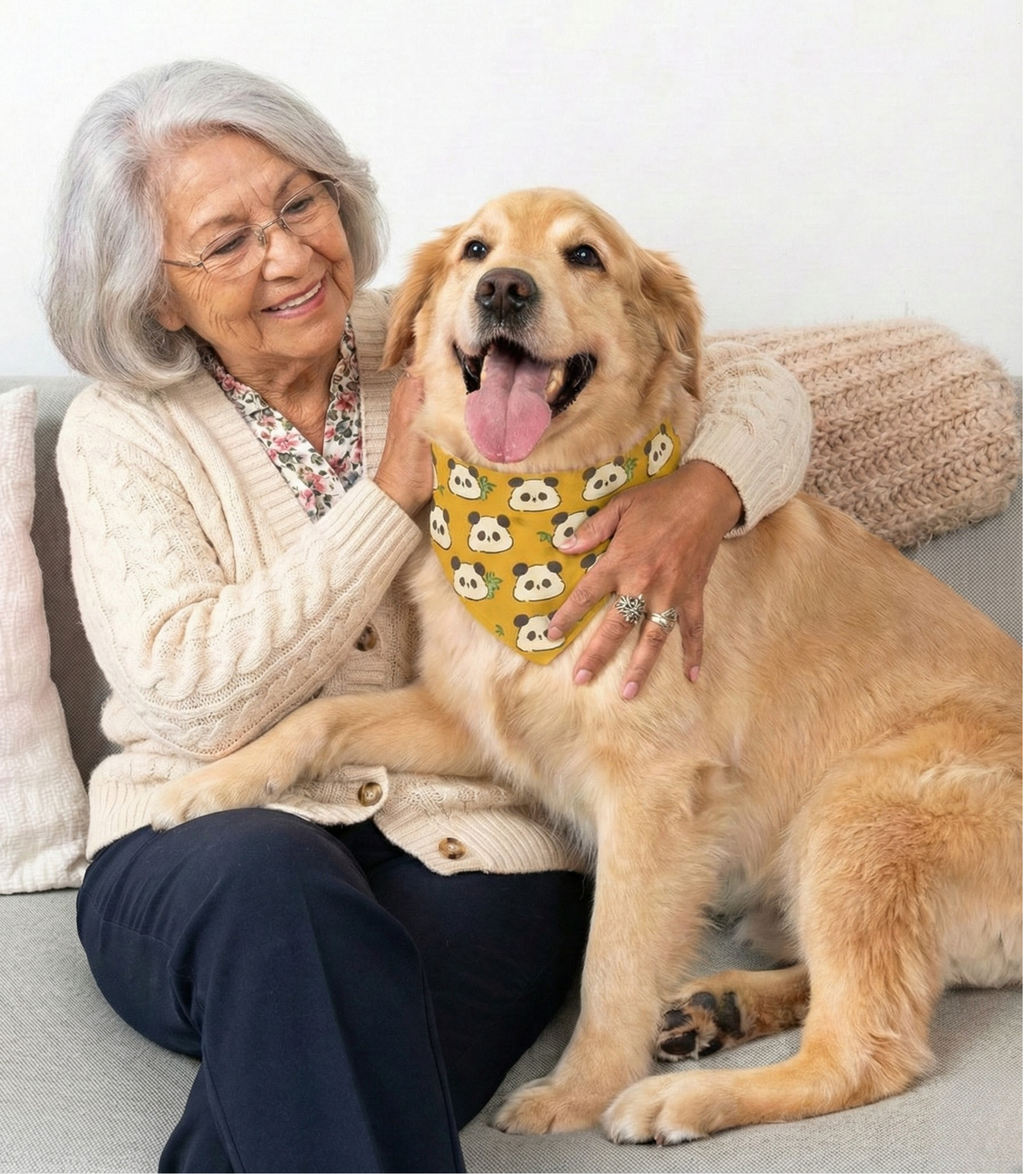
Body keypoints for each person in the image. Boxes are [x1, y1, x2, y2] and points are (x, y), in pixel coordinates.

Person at [47, 60, 813, 1173]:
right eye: (227, 240)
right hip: (208, 848)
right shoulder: (124, 434)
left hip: (477, 847)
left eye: (300, 203)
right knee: (285, 896)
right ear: (156, 292)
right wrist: (391, 492)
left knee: (336, 1057)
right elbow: (189, 700)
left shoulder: (436, 323)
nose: (290, 253)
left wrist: (705, 493)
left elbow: (755, 382)